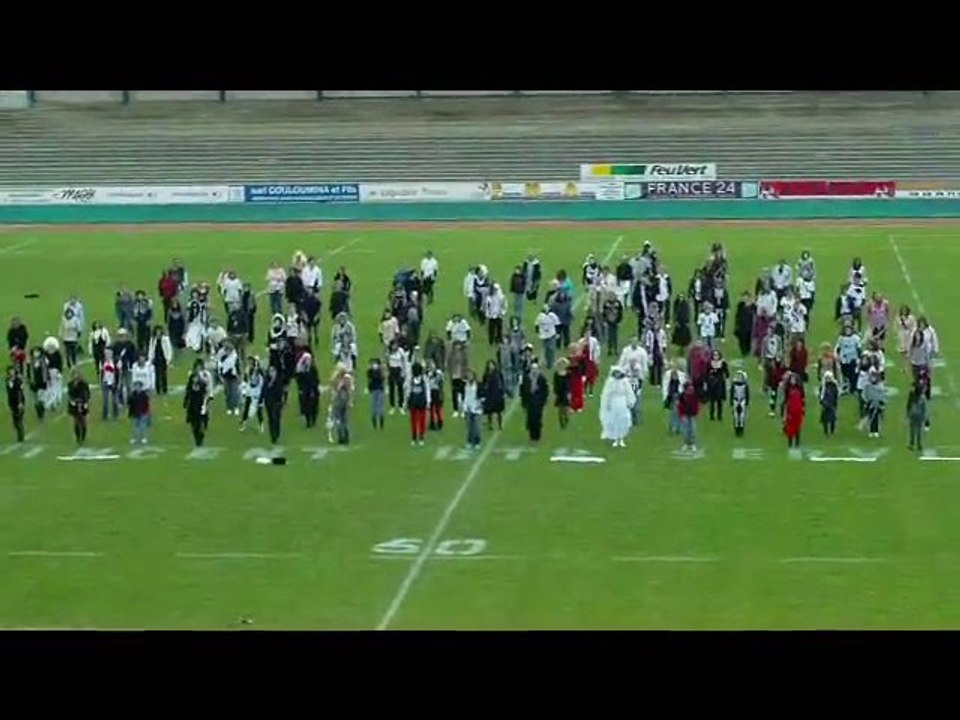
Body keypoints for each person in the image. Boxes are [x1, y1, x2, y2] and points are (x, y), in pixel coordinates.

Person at [600, 366, 636, 448]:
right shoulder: (610, 382)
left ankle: (621, 438)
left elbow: (629, 392)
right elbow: (606, 394)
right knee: (614, 420)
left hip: (622, 402)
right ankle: (615, 438)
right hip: (614, 402)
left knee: (624, 419)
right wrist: (607, 404)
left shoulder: (625, 382)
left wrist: (630, 402)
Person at [184, 360, 212, 447]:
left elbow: (207, 388)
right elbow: (188, 389)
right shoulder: (192, 376)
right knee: (193, 422)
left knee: (202, 419)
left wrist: (208, 398)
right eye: (196, 367)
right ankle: (197, 438)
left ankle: (201, 434)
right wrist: (186, 400)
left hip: (201, 401)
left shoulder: (205, 376)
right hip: (193, 401)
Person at [520, 360, 549, 443]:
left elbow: (545, 390)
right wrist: (523, 402)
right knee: (530, 419)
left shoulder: (541, 378)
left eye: (535, 368)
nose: (534, 370)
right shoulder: (526, 377)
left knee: (538, 419)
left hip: (538, 402)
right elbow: (522, 390)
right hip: (529, 401)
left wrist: (543, 400)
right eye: (532, 368)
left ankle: (537, 436)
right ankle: (531, 435)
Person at [328, 365, 354, 445]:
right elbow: (350, 391)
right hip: (344, 400)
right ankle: (346, 436)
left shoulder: (338, 379)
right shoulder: (347, 379)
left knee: (339, 420)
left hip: (338, 401)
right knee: (344, 420)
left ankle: (341, 437)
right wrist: (350, 401)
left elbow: (334, 385)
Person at [240, 357, 265, 433]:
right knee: (246, 408)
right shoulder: (248, 370)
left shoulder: (259, 371)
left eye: (251, 362)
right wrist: (244, 391)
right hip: (250, 391)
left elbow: (262, 380)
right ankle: (243, 425)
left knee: (259, 410)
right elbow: (245, 380)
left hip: (257, 391)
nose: (249, 363)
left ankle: (261, 425)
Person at [295, 351, 321, 429]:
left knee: (313, 405)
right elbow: (298, 379)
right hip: (305, 390)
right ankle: (308, 420)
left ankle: (313, 419)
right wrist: (301, 388)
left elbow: (316, 380)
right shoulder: (301, 369)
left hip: (313, 390)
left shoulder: (313, 369)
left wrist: (313, 389)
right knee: (305, 405)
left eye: (308, 360)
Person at [406, 361, 429, 446]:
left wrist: (428, 401)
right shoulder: (410, 379)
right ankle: (414, 437)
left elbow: (427, 390)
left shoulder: (424, 379)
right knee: (413, 421)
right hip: (413, 401)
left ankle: (421, 437)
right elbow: (408, 391)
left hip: (422, 401)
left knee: (422, 420)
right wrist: (406, 401)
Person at [261, 365, 286, 445]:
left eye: (273, 371)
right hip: (268, 402)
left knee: (276, 418)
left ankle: (276, 433)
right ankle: (273, 435)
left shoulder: (278, 380)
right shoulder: (266, 380)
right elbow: (263, 390)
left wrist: (282, 401)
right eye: (270, 371)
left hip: (277, 403)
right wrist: (261, 400)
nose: (271, 373)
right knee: (271, 419)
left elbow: (281, 391)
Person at [66, 369, 91, 446]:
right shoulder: (70, 384)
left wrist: (85, 402)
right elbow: (70, 395)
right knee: (76, 421)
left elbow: (87, 394)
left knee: (83, 421)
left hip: (83, 403)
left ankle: (83, 437)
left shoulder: (84, 384)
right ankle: (77, 438)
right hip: (74, 404)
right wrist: (72, 401)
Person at [480, 359, 506, 431]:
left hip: (497, 393)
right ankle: (490, 424)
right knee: (489, 411)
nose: (491, 366)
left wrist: (503, 392)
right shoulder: (486, 374)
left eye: (492, 365)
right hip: (489, 394)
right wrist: (484, 393)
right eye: (489, 365)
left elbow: (502, 382)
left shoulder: (498, 373)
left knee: (499, 411)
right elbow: (484, 383)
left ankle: (500, 425)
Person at [861, 369, 886, 439]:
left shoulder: (880, 386)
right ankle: (871, 431)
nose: (873, 379)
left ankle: (876, 431)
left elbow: (882, 396)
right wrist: (867, 401)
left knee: (876, 418)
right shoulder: (868, 386)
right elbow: (864, 395)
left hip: (877, 405)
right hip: (870, 404)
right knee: (871, 418)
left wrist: (881, 403)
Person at [385, 340, 409, 416]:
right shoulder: (389, 352)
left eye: (396, 345)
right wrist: (387, 371)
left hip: (399, 371)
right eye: (393, 345)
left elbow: (404, 361)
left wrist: (404, 372)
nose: (394, 347)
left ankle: (400, 406)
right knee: (392, 389)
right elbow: (386, 362)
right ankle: (392, 406)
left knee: (400, 389)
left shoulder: (400, 351)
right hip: (392, 371)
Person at [148, 325, 172, 395]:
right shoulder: (153, 339)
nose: (158, 333)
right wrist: (150, 358)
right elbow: (151, 349)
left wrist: (168, 358)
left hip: (163, 358)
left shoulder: (165, 339)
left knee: (164, 374)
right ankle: (158, 389)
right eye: (157, 331)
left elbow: (169, 349)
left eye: (159, 331)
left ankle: (165, 389)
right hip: (156, 359)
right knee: (157, 374)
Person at [461, 369, 483, 450]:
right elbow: (464, 397)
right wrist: (464, 407)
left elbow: (482, 396)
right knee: (469, 427)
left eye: (470, 375)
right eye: (468, 375)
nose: (469, 376)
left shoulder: (478, 384)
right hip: (468, 408)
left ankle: (477, 442)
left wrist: (479, 405)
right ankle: (470, 442)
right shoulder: (465, 385)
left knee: (476, 427)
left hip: (476, 408)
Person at [705, 350, 729, 422]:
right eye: (714, 355)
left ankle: (719, 416)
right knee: (712, 401)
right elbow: (706, 373)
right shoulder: (709, 363)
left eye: (717, 355)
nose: (716, 357)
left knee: (719, 401)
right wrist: (710, 375)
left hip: (720, 383)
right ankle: (711, 416)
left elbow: (727, 373)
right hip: (711, 384)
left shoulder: (723, 363)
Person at [535, 304, 561, 370]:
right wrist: (538, 333)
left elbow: (557, 324)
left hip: (552, 335)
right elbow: (536, 325)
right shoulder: (540, 316)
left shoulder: (552, 315)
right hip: (544, 336)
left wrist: (557, 333)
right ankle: (544, 362)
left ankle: (550, 363)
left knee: (551, 349)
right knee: (545, 349)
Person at [676, 379, 700, 452]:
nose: (691, 388)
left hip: (692, 414)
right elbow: (679, 406)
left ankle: (693, 444)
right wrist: (680, 414)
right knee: (686, 430)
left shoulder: (694, 395)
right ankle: (686, 444)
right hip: (684, 415)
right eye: (690, 387)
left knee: (693, 429)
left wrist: (696, 413)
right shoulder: (682, 396)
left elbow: (696, 405)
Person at [783, 373, 805, 448]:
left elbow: (802, 399)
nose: (793, 381)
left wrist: (803, 409)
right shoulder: (788, 389)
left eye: (794, 379)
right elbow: (785, 400)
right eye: (791, 379)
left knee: (797, 428)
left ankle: (797, 443)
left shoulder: (799, 388)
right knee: (790, 428)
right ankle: (790, 443)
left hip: (798, 411)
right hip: (790, 411)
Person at [906, 380, 928, 452]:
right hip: (919, 415)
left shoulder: (912, 396)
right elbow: (924, 409)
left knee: (912, 430)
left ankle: (911, 444)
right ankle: (919, 445)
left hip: (912, 414)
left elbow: (908, 405)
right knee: (919, 431)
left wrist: (907, 414)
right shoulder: (922, 398)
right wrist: (925, 418)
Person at [6, 365, 25, 442]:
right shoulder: (7, 380)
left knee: (19, 418)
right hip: (12, 402)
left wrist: (20, 402)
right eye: (10, 371)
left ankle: (20, 436)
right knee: (15, 420)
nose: (11, 372)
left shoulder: (18, 380)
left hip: (19, 401)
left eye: (12, 371)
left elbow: (20, 392)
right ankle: (19, 431)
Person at [128, 380, 151, 445]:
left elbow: (147, 404)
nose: (137, 388)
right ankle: (135, 438)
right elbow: (130, 404)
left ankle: (144, 438)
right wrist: (130, 413)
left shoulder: (144, 395)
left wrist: (147, 412)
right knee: (135, 427)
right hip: (134, 413)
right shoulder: (132, 395)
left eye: (139, 387)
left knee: (142, 426)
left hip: (143, 413)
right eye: (136, 386)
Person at [729, 370, 750, 437]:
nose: (739, 379)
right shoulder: (734, 385)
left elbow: (747, 394)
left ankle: (741, 427)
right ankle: (736, 427)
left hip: (742, 400)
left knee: (742, 415)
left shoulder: (745, 385)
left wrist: (747, 402)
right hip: (736, 400)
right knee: (735, 415)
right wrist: (731, 402)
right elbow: (731, 394)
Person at [426, 359, 445, 431]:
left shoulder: (439, 373)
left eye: (432, 365)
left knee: (438, 408)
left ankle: (440, 422)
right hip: (431, 391)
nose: (431, 367)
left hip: (438, 391)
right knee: (431, 409)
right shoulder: (428, 374)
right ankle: (432, 423)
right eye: (430, 366)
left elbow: (441, 381)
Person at [367, 357, 386, 430]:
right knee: (377, 407)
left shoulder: (372, 371)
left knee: (376, 407)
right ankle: (379, 426)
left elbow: (370, 380)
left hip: (376, 390)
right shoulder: (377, 371)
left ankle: (377, 425)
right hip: (377, 389)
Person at [819, 370, 840, 437]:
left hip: (832, 403)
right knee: (825, 419)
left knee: (832, 418)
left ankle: (832, 430)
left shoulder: (834, 385)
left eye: (829, 377)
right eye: (826, 377)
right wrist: (822, 402)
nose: (828, 379)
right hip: (825, 404)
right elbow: (821, 395)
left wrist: (835, 402)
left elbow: (836, 394)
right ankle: (826, 431)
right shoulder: (823, 386)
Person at [553, 358, 571, 429]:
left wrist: (570, 393)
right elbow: (555, 384)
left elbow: (570, 384)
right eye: (561, 364)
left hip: (566, 392)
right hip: (559, 393)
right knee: (560, 410)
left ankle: (566, 419)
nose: (562, 365)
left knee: (566, 409)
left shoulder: (568, 373)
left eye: (563, 364)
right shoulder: (556, 374)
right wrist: (556, 393)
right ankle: (561, 423)